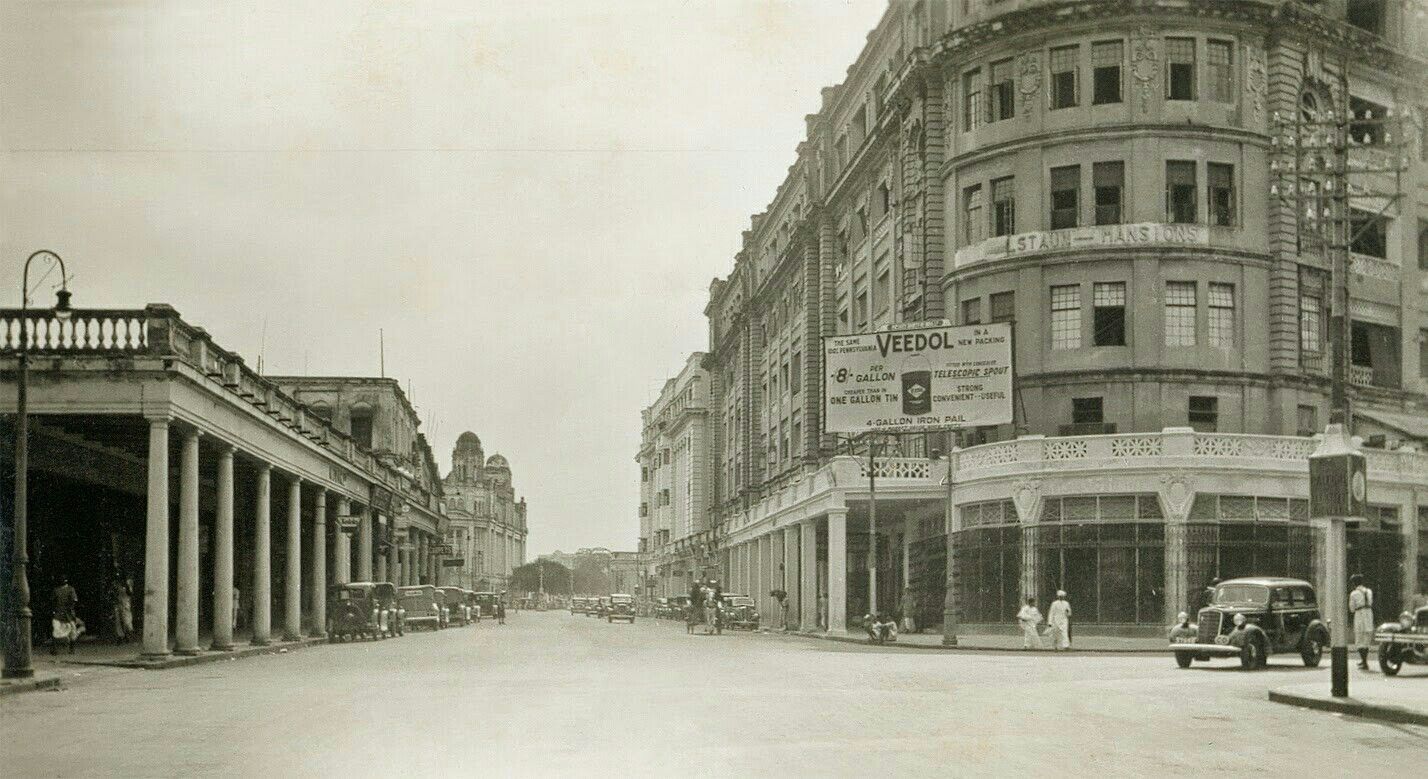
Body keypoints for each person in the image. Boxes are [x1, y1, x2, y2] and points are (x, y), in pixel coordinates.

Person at [1349, 574, 1374, 669]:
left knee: (1359, 638)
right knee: (1366, 638)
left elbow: (1351, 609)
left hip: (1359, 614)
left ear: (1354, 583)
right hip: (1369, 613)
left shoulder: (1354, 594)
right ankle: (1364, 661)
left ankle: (1364, 662)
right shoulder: (1369, 591)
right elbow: (1371, 602)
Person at [51, 577, 80, 655]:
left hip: (58, 612)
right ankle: (72, 649)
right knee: (72, 630)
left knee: (56, 630)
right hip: (68, 613)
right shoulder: (71, 589)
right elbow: (74, 600)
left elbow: (52, 601)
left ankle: (55, 649)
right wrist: (70, 608)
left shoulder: (56, 590)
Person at [109, 576, 133, 645]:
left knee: (126, 621)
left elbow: (129, 594)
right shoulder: (115, 587)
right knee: (118, 620)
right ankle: (121, 636)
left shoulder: (126, 586)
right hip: (118, 604)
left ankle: (126, 635)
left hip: (125, 604)